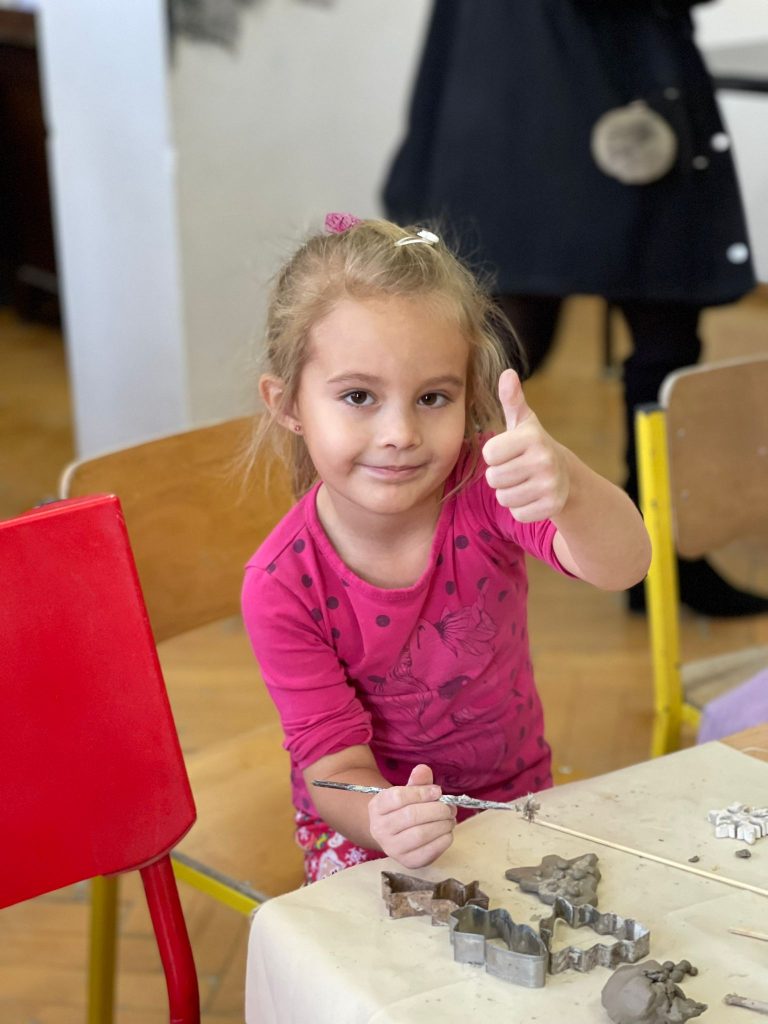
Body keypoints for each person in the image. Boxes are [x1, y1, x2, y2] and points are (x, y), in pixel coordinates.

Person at [241, 214, 650, 881]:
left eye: (433, 396)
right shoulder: (282, 583)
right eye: (358, 396)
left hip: (516, 801)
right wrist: (383, 818)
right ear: (287, 403)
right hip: (369, 831)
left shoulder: (483, 486)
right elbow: (334, 768)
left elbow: (624, 565)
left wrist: (569, 484)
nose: (400, 432)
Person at [383, 0, 767, 618]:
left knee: (521, 346)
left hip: (523, 82)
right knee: (501, 354)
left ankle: (658, 555)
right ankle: (403, 556)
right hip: (575, 85)